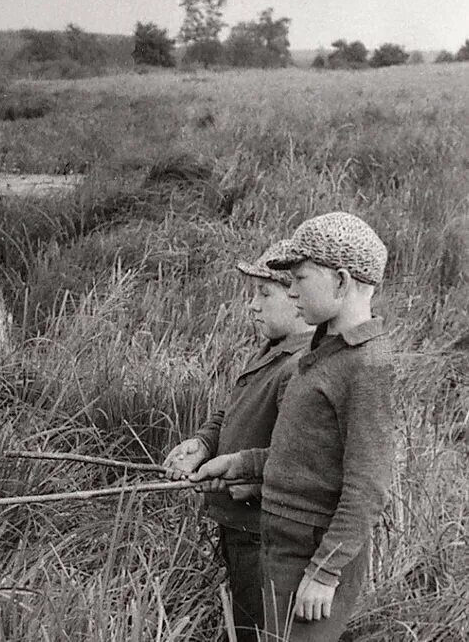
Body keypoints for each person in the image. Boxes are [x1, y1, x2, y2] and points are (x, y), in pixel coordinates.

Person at [192, 211, 394, 642]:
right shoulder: (321, 354)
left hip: (313, 552)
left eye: (299, 278)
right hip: (281, 542)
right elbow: (307, 456)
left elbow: (367, 486)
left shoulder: (366, 366)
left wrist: (324, 571)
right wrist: (243, 464)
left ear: (340, 281)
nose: (293, 290)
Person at [163, 239, 314, 642]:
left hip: (265, 537)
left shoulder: (302, 369)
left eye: (264, 293)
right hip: (240, 527)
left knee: (261, 631)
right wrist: (204, 444)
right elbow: (232, 411)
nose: (252, 305)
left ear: (299, 297)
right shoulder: (271, 349)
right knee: (244, 623)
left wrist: (234, 472)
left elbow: (296, 461)